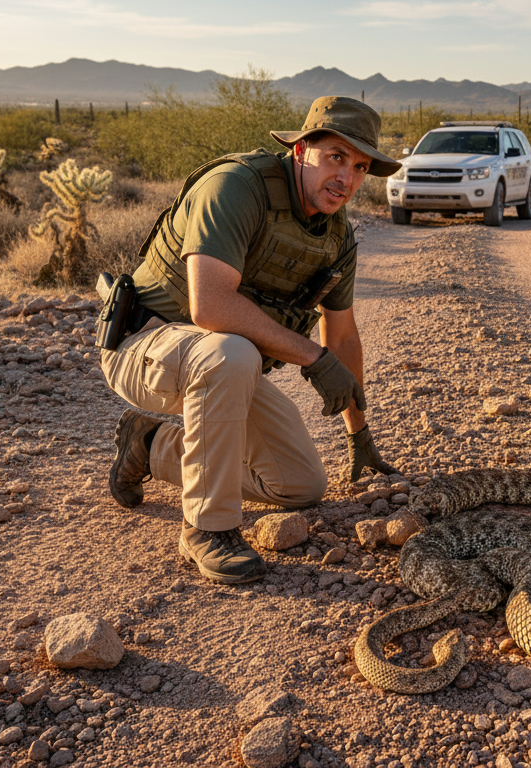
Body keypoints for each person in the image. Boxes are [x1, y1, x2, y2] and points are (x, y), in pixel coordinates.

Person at [101, 96, 401, 584]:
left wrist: (359, 432)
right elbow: (211, 307)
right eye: (336, 157)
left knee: (300, 484)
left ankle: (148, 443)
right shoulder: (236, 187)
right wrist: (313, 357)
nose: (347, 178)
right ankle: (207, 529)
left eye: (361, 167)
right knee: (232, 349)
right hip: (146, 347)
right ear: (302, 150)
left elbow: (342, 335)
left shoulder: (335, 237)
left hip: (223, 366)